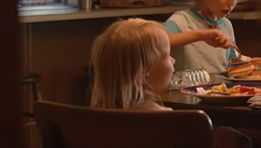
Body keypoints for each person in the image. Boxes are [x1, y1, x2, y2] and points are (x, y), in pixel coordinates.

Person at [90, 18, 252, 148]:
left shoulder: (91, 123)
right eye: (167, 56)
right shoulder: (170, 122)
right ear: (143, 73)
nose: (173, 60)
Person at [166, 0, 252, 73]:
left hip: (219, 86)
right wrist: (201, 35)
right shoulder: (180, 21)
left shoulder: (226, 25)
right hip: (188, 86)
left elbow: (232, 62)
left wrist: (253, 63)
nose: (232, 2)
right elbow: (158, 45)